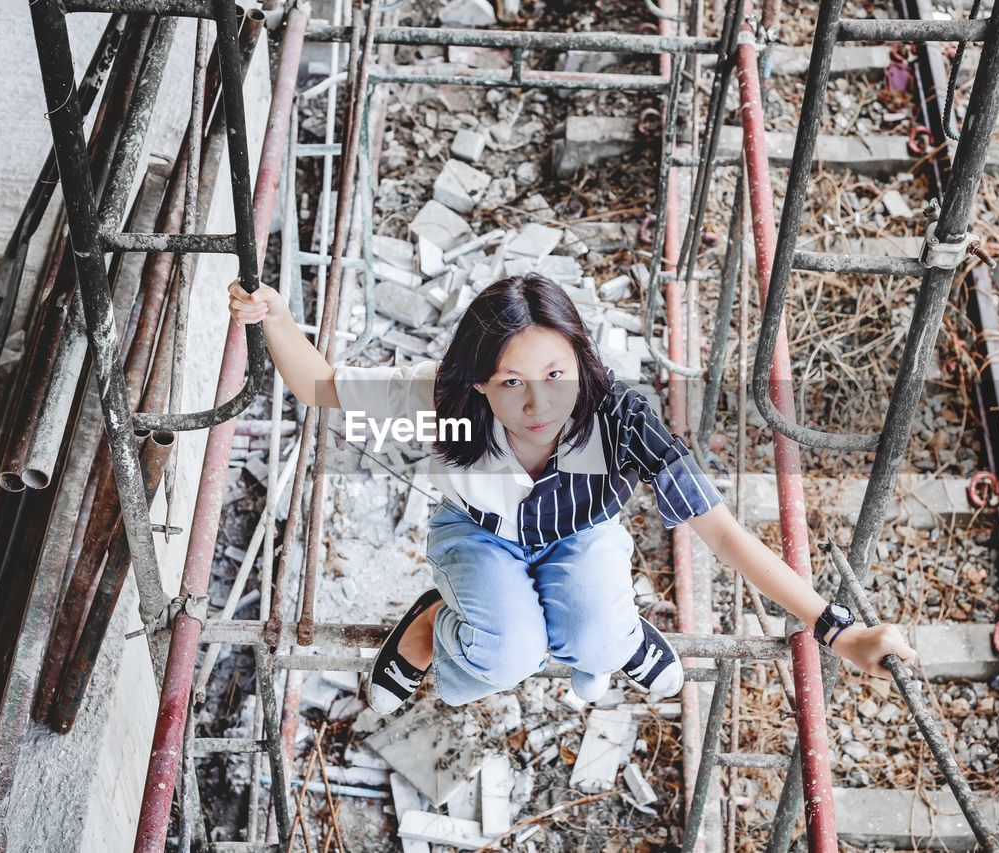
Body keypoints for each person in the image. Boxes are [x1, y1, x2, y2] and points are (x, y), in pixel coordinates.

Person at [227, 272, 915, 714]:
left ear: (581, 359)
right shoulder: (442, 399)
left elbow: (725, 534)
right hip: (479, 535)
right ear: (477, 382)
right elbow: (320, 387)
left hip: (580, 536)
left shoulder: (620, 417)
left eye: (556, 372)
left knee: (591, 631)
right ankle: (429, 628)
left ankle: (612, 629)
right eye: (510, 382)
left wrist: (840, 629)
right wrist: (277, 319)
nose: (538, 402)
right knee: (508, 653)